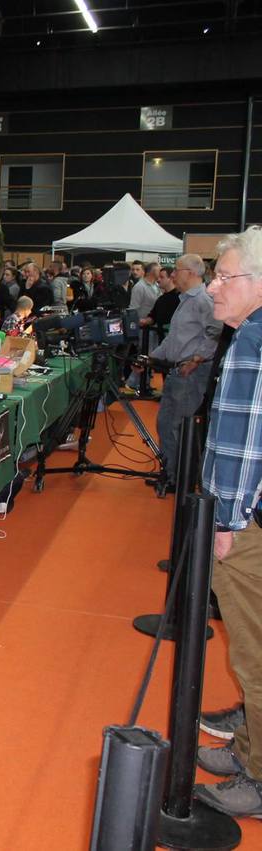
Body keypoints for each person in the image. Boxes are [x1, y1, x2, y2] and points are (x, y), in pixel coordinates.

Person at [194, 227, 262, 818]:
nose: (213, 287)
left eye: (224, 277)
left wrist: (227, 521)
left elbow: (244, 442)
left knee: (254, 656)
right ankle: (248, 749)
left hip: (247, 526)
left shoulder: (254, 341)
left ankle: (259, 778)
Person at [141, 254, 221, 486]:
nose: (173, 274)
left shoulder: (203, 300)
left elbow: (215, 332)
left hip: (191, 375)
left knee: (179, 427)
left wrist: (196, 360)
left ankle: (181, 479)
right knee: (166, 424)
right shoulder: (185, 300)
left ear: (192, 273)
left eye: (177, 270)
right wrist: (150, 358)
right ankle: (172, 474)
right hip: (178, 373)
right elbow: (173, 340)